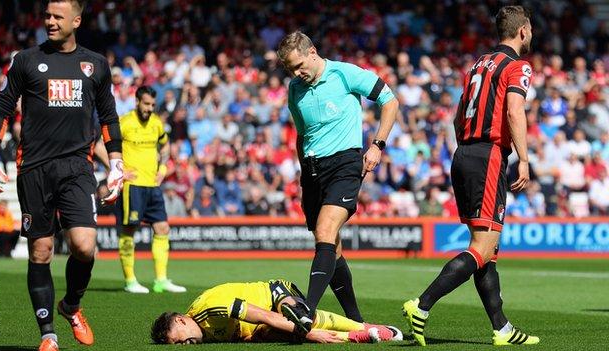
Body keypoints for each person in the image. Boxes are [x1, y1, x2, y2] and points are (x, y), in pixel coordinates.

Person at [0, 1, 124, 351]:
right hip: (34, 168)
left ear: (76, 21)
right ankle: (48, 335)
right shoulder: (26, 60)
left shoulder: (96, 65)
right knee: (41, 252)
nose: (49, 21)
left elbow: (108, 117)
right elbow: (3, 107)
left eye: (57, 17)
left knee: (84, 246)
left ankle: (71, 306)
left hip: (78, 168)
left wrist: (117, 162)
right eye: (47, 15)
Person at [402, 6, 539, 346]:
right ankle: (422, 304)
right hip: (489, 156)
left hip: (464, 153)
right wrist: (523, 158)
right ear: (522, 31)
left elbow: (458, 114)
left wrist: (467, 149)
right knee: (482, 247)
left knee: (486, 251)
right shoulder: (517, 66)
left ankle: (502, 328)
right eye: (531, 30)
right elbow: (513, 110)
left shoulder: (479, 64)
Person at [276, 31, 399, 334]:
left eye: (299, 65)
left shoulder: (345, 74)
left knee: (325, 230)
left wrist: (377, 145)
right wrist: (303, 171)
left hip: (345, 163)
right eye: (291, 69)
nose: (296, 73)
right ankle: (357, 322)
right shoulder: (295, 89)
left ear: (313, 52)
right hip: (312, 170)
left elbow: (389, 100)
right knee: (333, 247)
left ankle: (308, 310)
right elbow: (302, 135)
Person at [150, 279, 402, 344]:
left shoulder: (211, 309)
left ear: (181, 321)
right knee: (276, 333)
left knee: (301, 319)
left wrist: (309, 334)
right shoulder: (203, 332)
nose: (186, 345)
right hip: (261, 321)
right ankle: (357, 337)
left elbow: (265, 315)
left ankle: (365, 327)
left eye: (180, 341)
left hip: (275, 293)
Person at [117, 85, 186, 294]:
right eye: (146, 104)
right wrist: (119, 170)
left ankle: (161, 280)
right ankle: (130, 281)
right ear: (137, 102)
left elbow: (165, 146)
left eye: (153, 105)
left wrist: (163, 168)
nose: (149, 108)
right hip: (132, 185)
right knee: (129, 230)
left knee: (162, 228)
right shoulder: (125, 122)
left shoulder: (156, 123)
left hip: (153, 185)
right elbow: (104, 144)